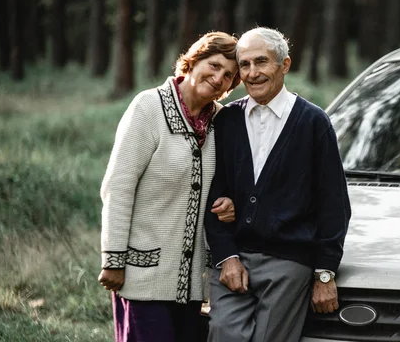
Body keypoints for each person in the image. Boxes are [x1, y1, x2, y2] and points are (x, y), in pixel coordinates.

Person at [204, 27, 351, 342]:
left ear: (284, 65)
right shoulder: (226, 121)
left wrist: (325, 272)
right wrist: (226, 256)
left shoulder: (313, 122)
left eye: (262, 62)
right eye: (245, 65)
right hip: (234, 260)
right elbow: (212, 195)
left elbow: (334, 204)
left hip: (288, 264)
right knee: (223, 332)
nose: (253, 73)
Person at [98, 31, 241, 342]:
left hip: (194, 286)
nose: (219, 78)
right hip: (142, 275)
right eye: (214, 65)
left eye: (229, 75)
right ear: (193, 60)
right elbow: (119, 187)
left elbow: (226, 183)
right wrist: (113, 259)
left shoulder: (222, 121)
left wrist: (231, 203)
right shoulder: (148, 107)